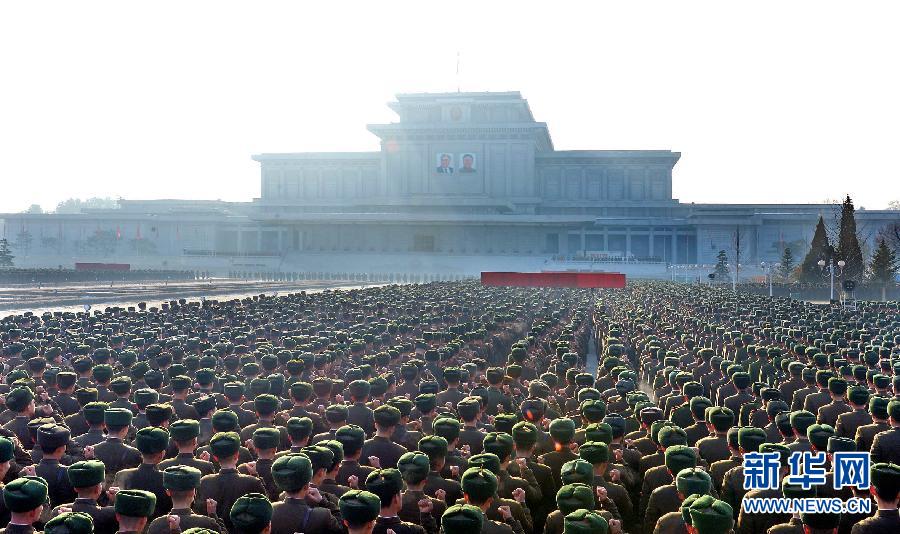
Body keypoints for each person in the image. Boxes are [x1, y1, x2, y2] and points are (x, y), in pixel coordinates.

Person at [145, 466, 225, 534]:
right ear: (193, 492)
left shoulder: (156, 525)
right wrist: (213, 515)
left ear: (168, 492)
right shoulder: (207, 523)